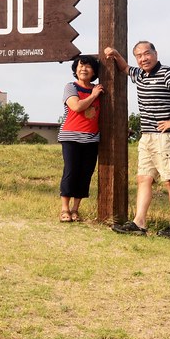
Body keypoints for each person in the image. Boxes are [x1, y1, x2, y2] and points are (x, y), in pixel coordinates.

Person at [103, 41, 170, 239]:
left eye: (147, 53)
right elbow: (125, 68)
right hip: (147, 136)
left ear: (155, 53)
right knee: (144, 178)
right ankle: (139, 223)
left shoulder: (167, 72)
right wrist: (116, 55)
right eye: (139, 56)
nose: (144, 58)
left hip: (166, 137)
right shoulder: (140, 74)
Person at [57, 54, 105, 222]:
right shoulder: (71, 87)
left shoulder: (99, 89)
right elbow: (76, 106)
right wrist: (92, 96)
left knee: (85, 174)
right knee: (71, 171)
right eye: (80, 66)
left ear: (94, 71)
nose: (83, 69)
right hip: (71, 137)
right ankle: (64, 210)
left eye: (88, 66)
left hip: (92, 139)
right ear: (75, 70)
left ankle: (76, 210)